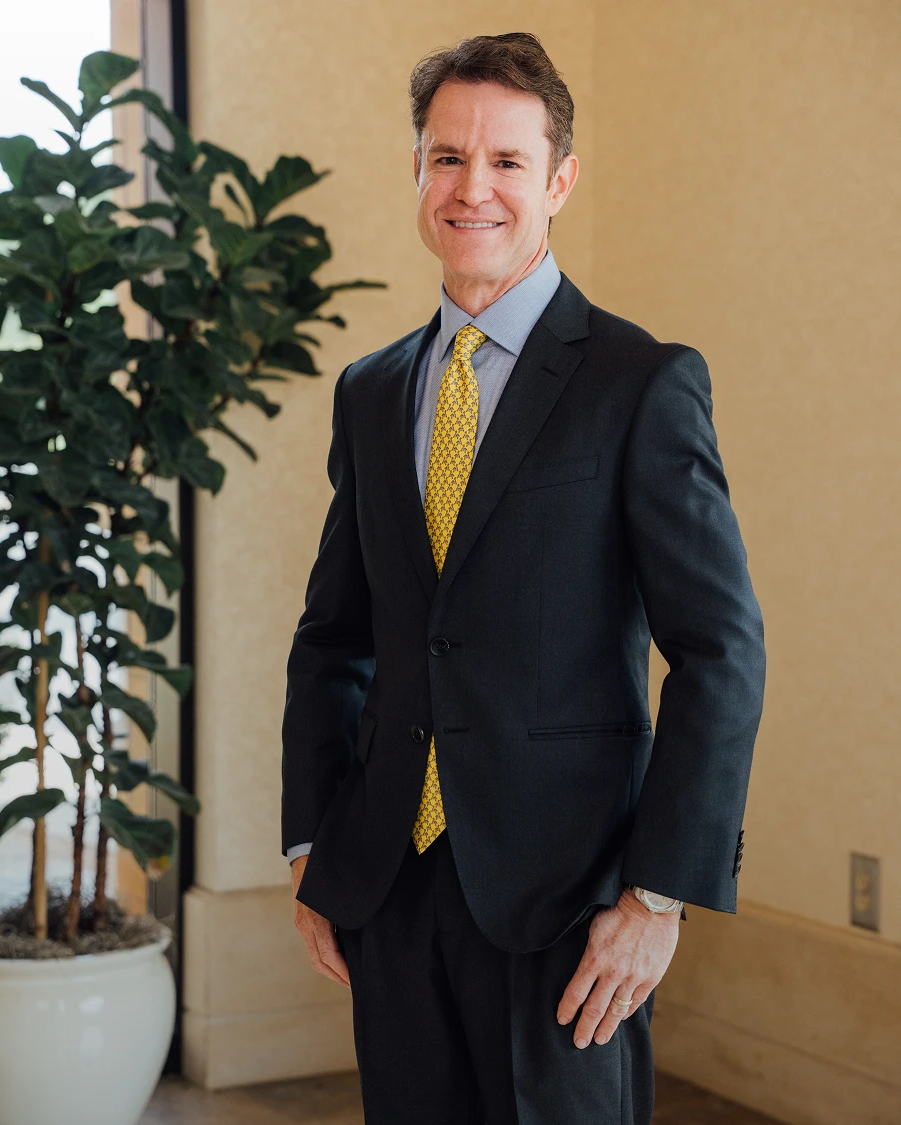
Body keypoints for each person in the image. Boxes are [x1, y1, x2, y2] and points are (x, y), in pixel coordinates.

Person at [280, 31, 765, 1125]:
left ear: (558, 181)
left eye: (506, 161)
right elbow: (335, 636)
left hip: (569, 905)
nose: (473, 188)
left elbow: (722, 651)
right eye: (447, 157)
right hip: (390, 889)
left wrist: (659, 894)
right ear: (417, 174)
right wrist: (314, 844)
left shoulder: (641, 384)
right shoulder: (371, 390)